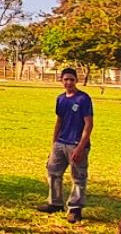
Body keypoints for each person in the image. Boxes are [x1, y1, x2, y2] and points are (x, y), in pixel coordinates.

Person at [40, 68, 94, 223]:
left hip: (76, 144)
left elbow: (88, 124)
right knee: (53, 172)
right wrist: (53, 144)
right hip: (61, 142)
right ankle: (55, 203)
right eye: (66, 79)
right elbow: (59, 121)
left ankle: (75, 208)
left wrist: (81, 146)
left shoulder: (83, 99)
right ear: (61, 81)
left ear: (76, 80)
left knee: (78, 177)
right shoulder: (61, 99)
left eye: (71, 79)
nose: (69, 82)